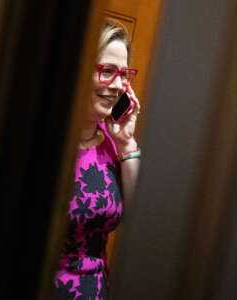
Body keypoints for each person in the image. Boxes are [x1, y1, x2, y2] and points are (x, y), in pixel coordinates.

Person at [54, 20, 141, 299]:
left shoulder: (112, 142)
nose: (117, 85)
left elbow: (139, 218)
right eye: (106, 71)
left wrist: (126, 142)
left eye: (123, 74)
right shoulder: (47, 140)